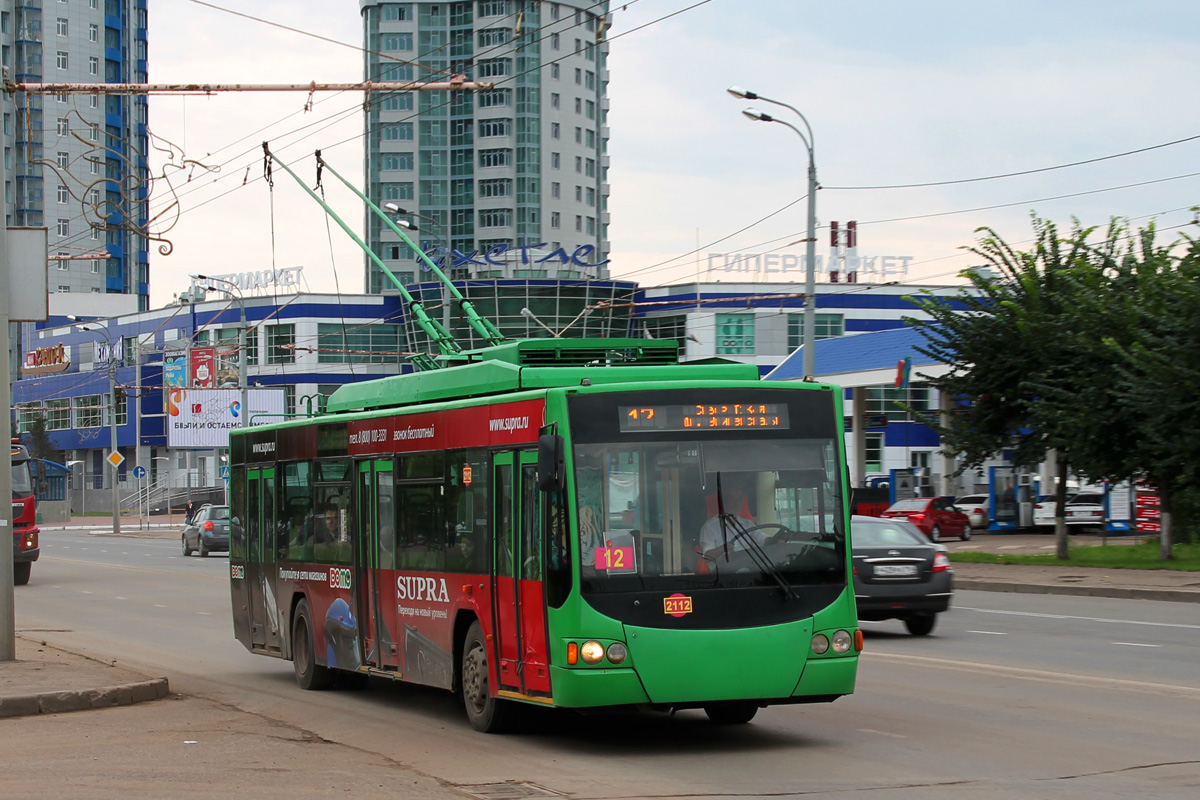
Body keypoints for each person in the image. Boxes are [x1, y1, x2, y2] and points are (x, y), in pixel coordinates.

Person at [697, 476, 761, 557]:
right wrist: (722, 549)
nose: (736, 503)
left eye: (739, 499)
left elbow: (763, 539)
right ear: (725, 500)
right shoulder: (709, 527)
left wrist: (777, 539)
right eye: (732, 498)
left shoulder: (748, 524)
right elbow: (707, 556)